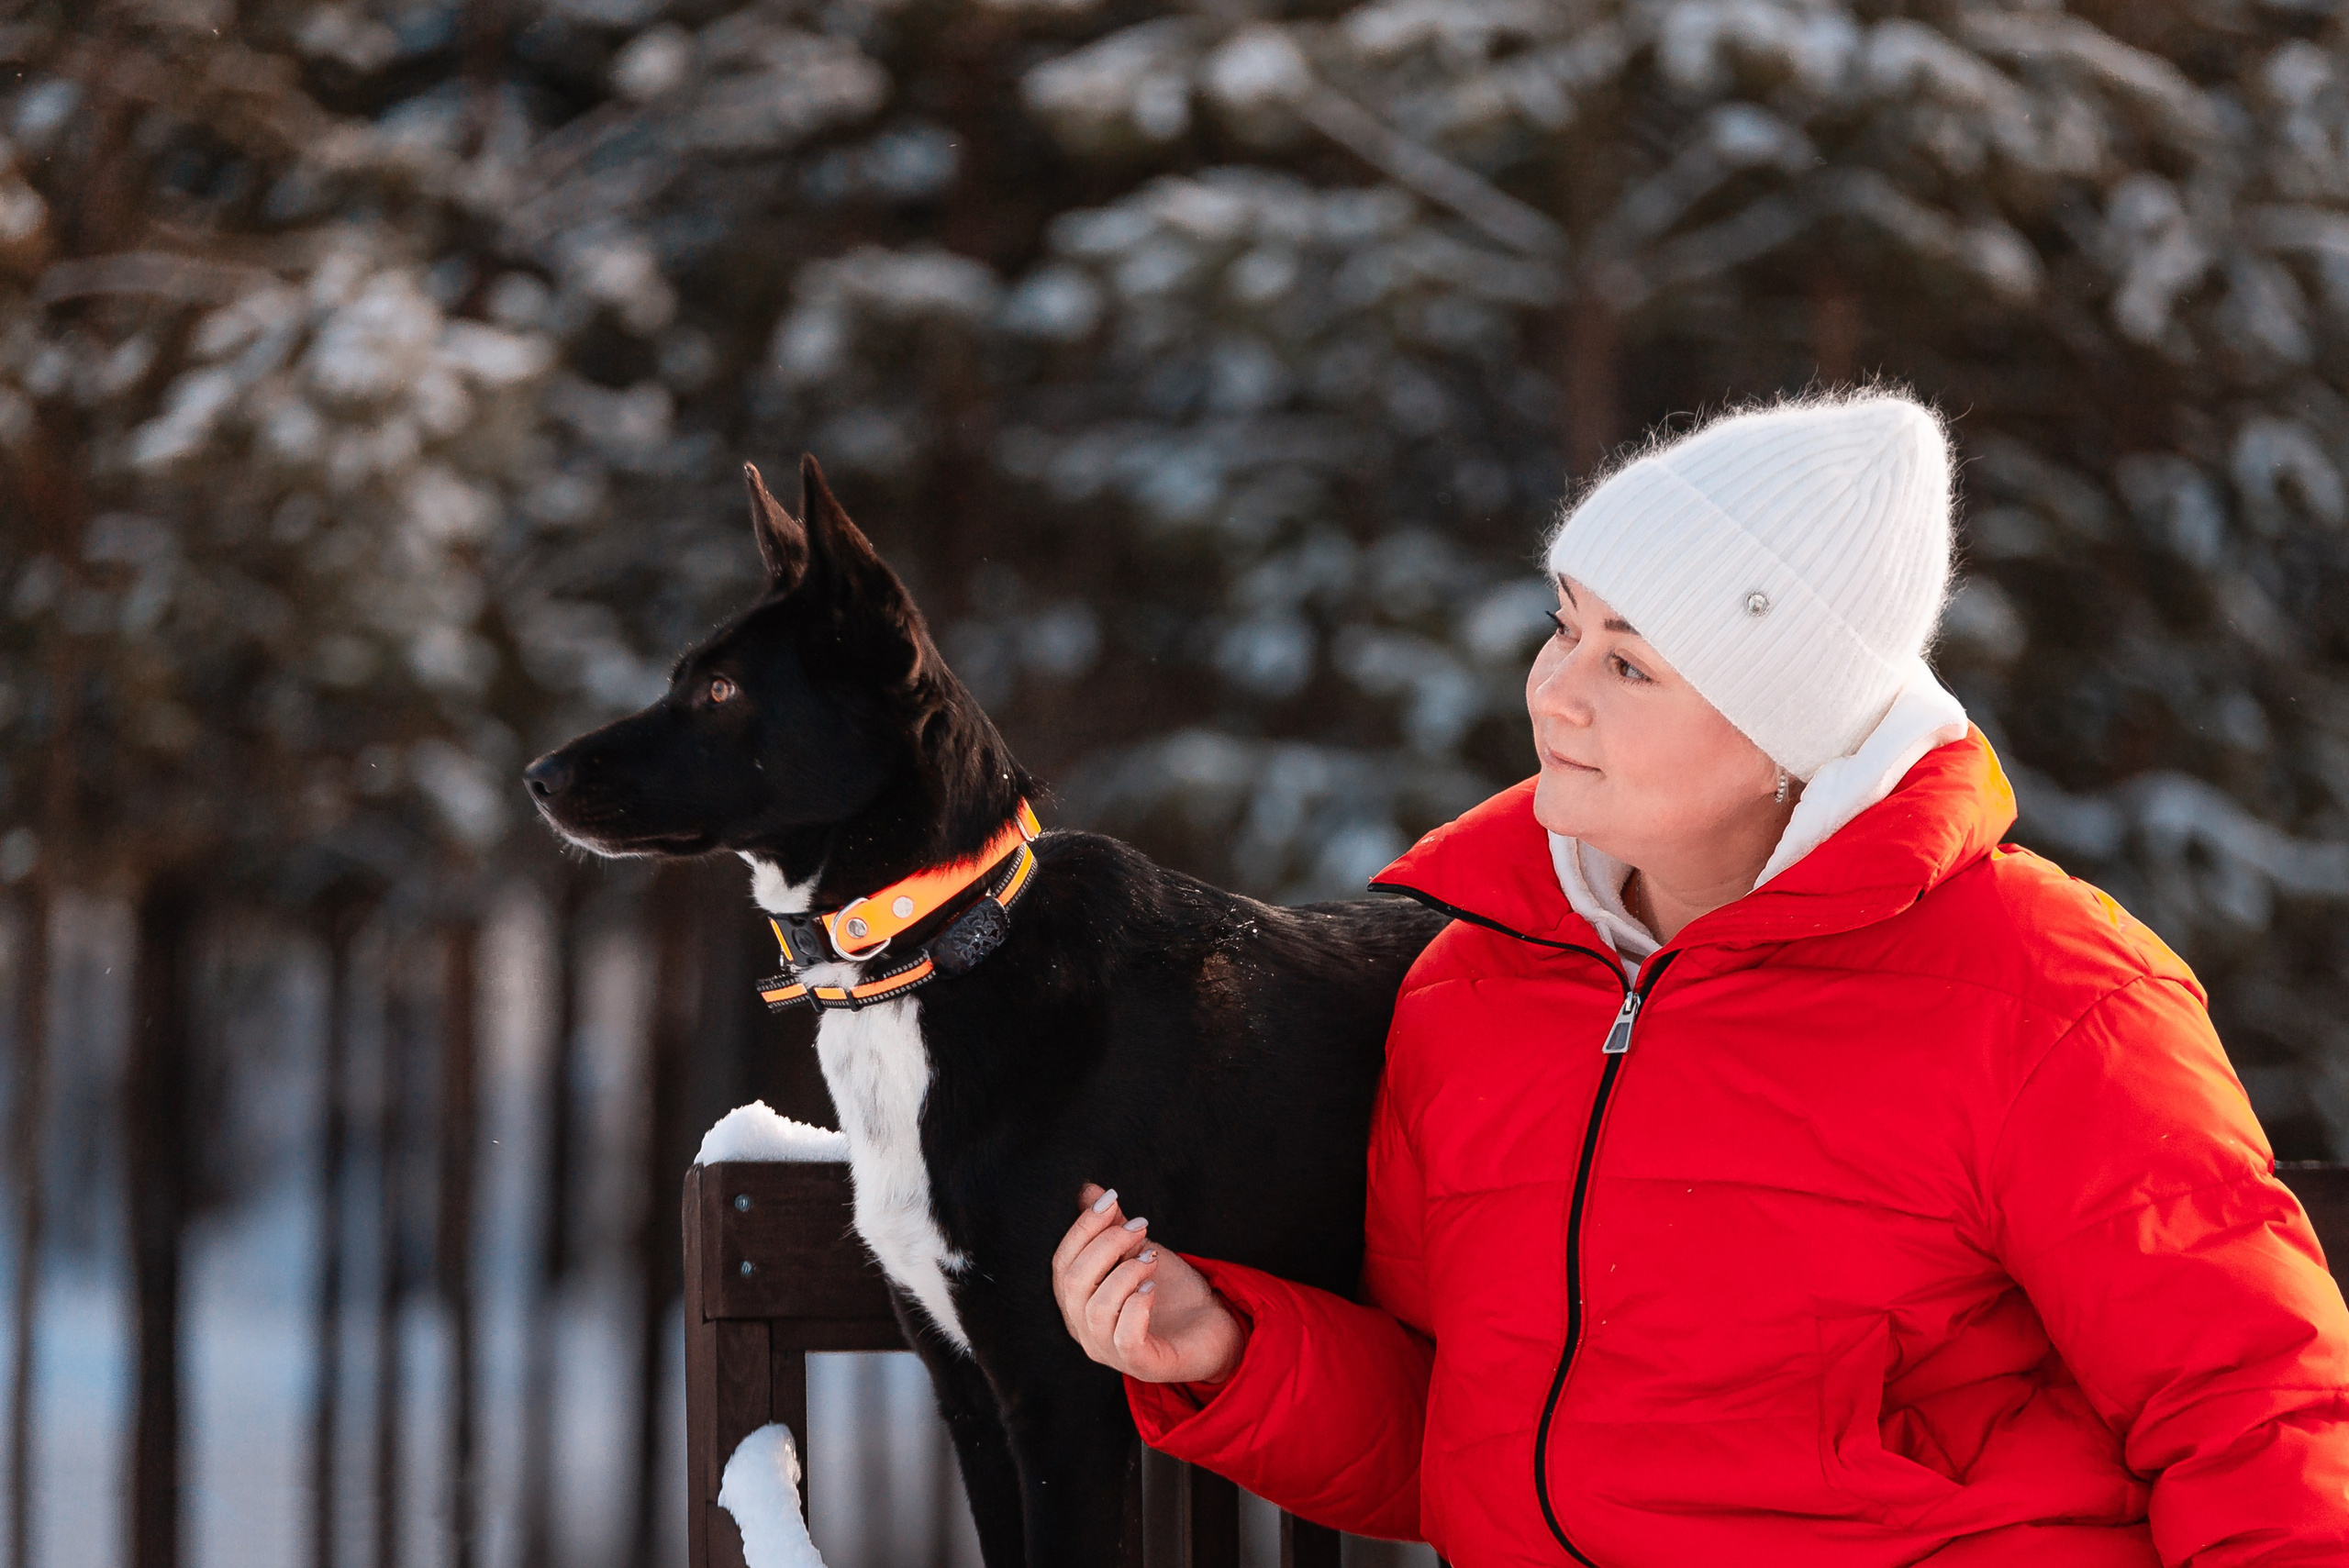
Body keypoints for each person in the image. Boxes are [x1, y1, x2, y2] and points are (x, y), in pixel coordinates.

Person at [1051, 389, 2349, 1566]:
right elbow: (1470, 1439)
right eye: (1564, 627)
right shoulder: (1474, 987)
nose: (1552, 692)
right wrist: (1226, 1349)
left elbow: (2260, 1409)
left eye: (1629, 664)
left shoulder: (2055, 995)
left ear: (1787, 735)